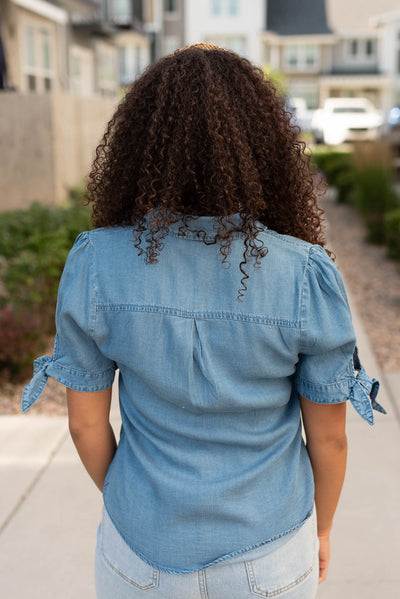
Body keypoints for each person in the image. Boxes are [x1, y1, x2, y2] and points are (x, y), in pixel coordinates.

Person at [22, 44, 385, 599]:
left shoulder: (98, 261)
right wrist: (326, 527)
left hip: (137, 549)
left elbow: (84, 424)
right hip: (270, 546)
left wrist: (128, 499)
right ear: (263, 145)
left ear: (139, 146)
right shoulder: (303, 272)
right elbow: (330, 437)